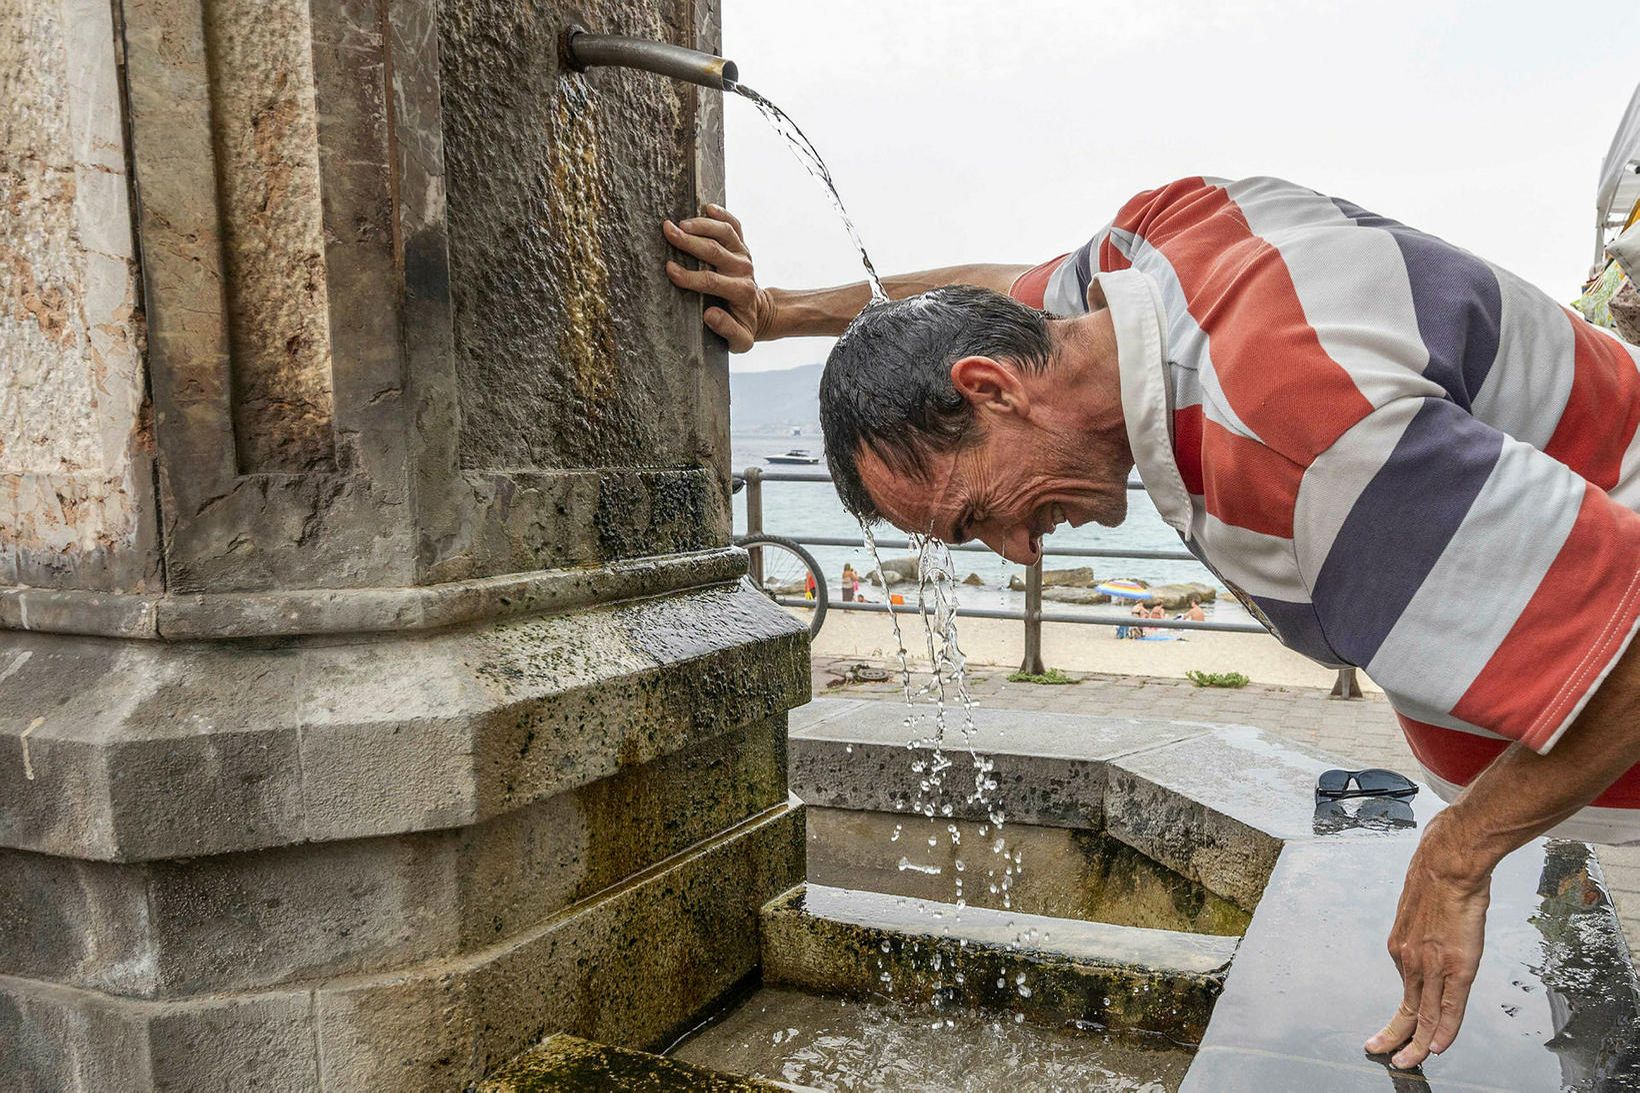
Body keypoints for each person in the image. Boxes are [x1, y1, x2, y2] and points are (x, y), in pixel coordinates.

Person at [661, 176, 1640, 1070]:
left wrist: (1460, 851)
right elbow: (993, 287)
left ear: (990, 389)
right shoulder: (1147, 254)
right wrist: (783, 311)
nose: (1019, 554)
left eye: (976, 516)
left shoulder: (1291, 446)